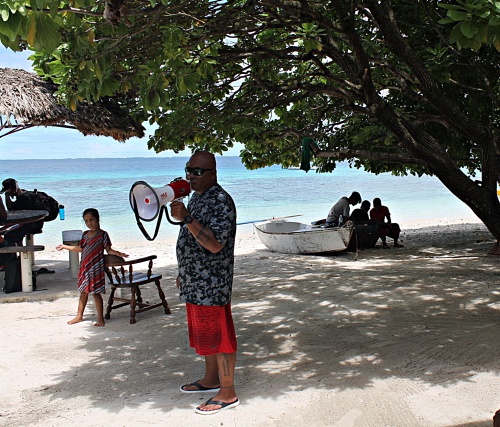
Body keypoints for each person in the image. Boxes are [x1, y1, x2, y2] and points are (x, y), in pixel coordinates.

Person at [170, 151, 239, 415]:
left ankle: (228, 392)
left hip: (212, 284)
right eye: (189, 170)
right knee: (207, 335)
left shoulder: (220, 201)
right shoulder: (197, 198)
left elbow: (214, 243)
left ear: (213, 174)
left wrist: (187, 217)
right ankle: (211, 380)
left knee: (221, 337)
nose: (191, 176)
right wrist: (184, 271)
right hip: (195, 281)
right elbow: (191, 240)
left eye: (198, 172)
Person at [56, 208, 128, 326]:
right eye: (86, 221)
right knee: (83, 292)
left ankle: (100, 318)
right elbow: (80, 249)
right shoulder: (85, 235)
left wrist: (119, 254)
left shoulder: (103, 235)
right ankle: (79, 316)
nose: (90, 223)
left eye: (92, 220)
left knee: (96, 293)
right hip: (84, 267)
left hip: (96, 269)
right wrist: (64, 246)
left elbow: (109, 250)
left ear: (98, 219)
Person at [1, 178, 43, 245]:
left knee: (8, 236)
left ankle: (14, 254)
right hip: (35, 223)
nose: (8, 194)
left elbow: (11, 210)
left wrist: (2, 228)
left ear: (13, 189)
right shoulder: (24, 193)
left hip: (32, 225)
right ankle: (20, 251)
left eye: (8, 192)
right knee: (7, 233)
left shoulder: (23, 198)